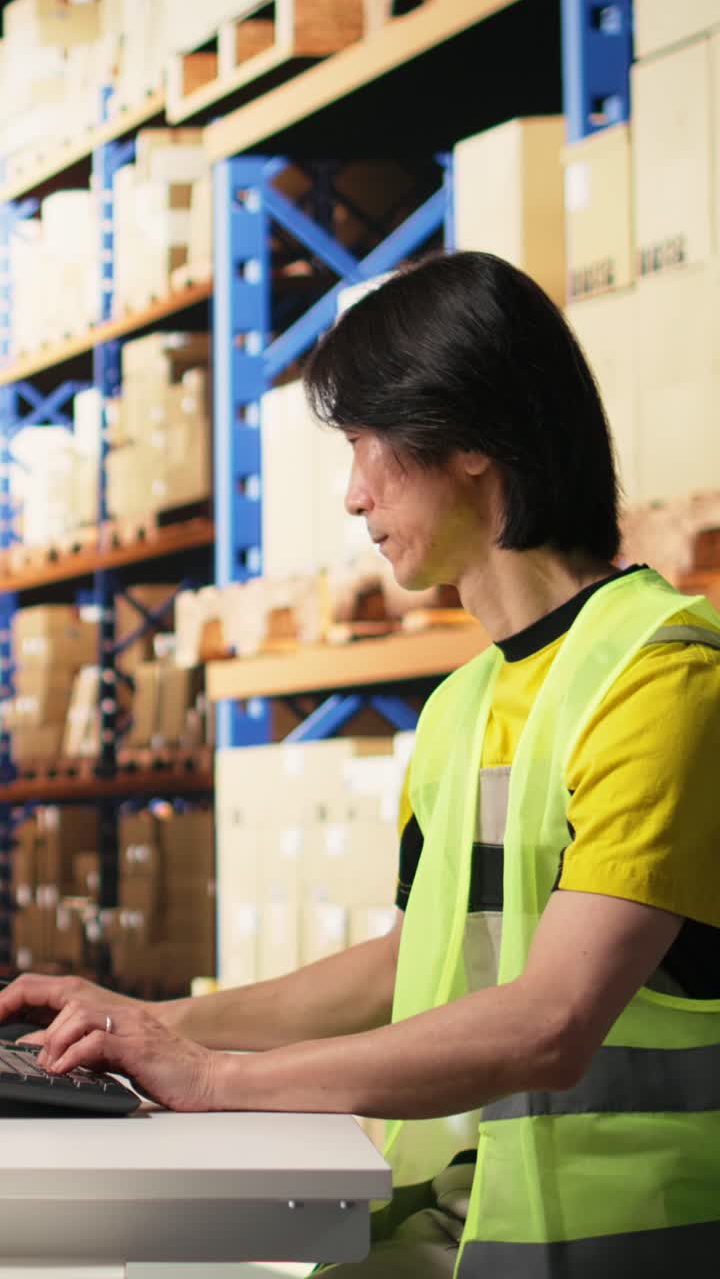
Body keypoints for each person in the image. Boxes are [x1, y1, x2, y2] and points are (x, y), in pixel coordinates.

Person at [1, 251, 720, 1276]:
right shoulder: (465, 705)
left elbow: (554, 1020)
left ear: (469, 438)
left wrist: (215, 1077)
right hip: (452, 1228)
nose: (351, 495)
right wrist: (146, 1022)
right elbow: (407, 965)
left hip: (612, 1248)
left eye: (368, 446)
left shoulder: (660, 680)